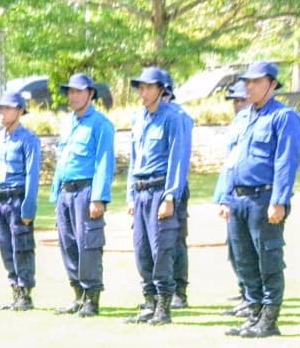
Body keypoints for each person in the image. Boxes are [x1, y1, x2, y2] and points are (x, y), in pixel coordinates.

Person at [214, 61, 300, 339]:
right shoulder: (243, 118)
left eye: (255, 82)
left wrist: (279, 199)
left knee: (268, 258)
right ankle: (253, 314)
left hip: (264, 198)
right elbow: (232, 161)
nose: (249, 86)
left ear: (272, 84)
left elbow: (285, 162)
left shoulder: (284, 117)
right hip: (238, 198)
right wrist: (226, 197)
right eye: (247, 82)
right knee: (244, 259)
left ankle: (269, 318)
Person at [124, 67, 189, 326]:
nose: (143, 92)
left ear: (162, 90)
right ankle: (149, 302)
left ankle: (164, 305)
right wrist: (131, 194)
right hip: (141, 190)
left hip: (160, 189)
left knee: (161, 248)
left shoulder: (173, 118)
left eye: (148, 87)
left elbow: (177, 160)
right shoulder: (138, 119)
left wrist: (170, 196)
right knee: (142, 249)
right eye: (140, 87)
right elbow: (133, 159)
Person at [52, 72, 116, 317]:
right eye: (70, 91)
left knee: (88, 243)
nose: (73, 96)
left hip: (87, 190)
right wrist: (56, 193)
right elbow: (62, 159)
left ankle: (92, 298)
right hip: (66, 191)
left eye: (78, 91)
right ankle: (77, 295)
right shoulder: (68, 122)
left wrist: (98, 197)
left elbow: (104, 162)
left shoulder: (101, 124)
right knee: (67, 243)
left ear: (90, 94)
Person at [0, 90, 41, 311]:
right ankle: (15, 291)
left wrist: (28, 208)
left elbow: (32, 175)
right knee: (6, 248)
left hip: (18, 199)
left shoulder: (28, 140)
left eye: (7, 108)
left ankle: (25, 293)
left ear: (19, 111)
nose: (2, 112)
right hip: (0, 200)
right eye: (1, 108)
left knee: (22, 247)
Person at [160, 70, 195, 309]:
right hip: (152, 188)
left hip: (174, 187)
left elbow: (180, 157)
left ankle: (179, 290)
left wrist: (174, 192)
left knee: (175, 239)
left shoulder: (179, 116)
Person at [220, 79, 251, 314]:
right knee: (236, 249)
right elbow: (229, 165)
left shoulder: (252, 123)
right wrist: (224, 196)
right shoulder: (237, 125)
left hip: (254, 196)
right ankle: (246, 293)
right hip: (234, 195)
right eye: (235, 100)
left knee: (251, 251)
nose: (238, 104)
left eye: (241, 99)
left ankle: (252, 297)